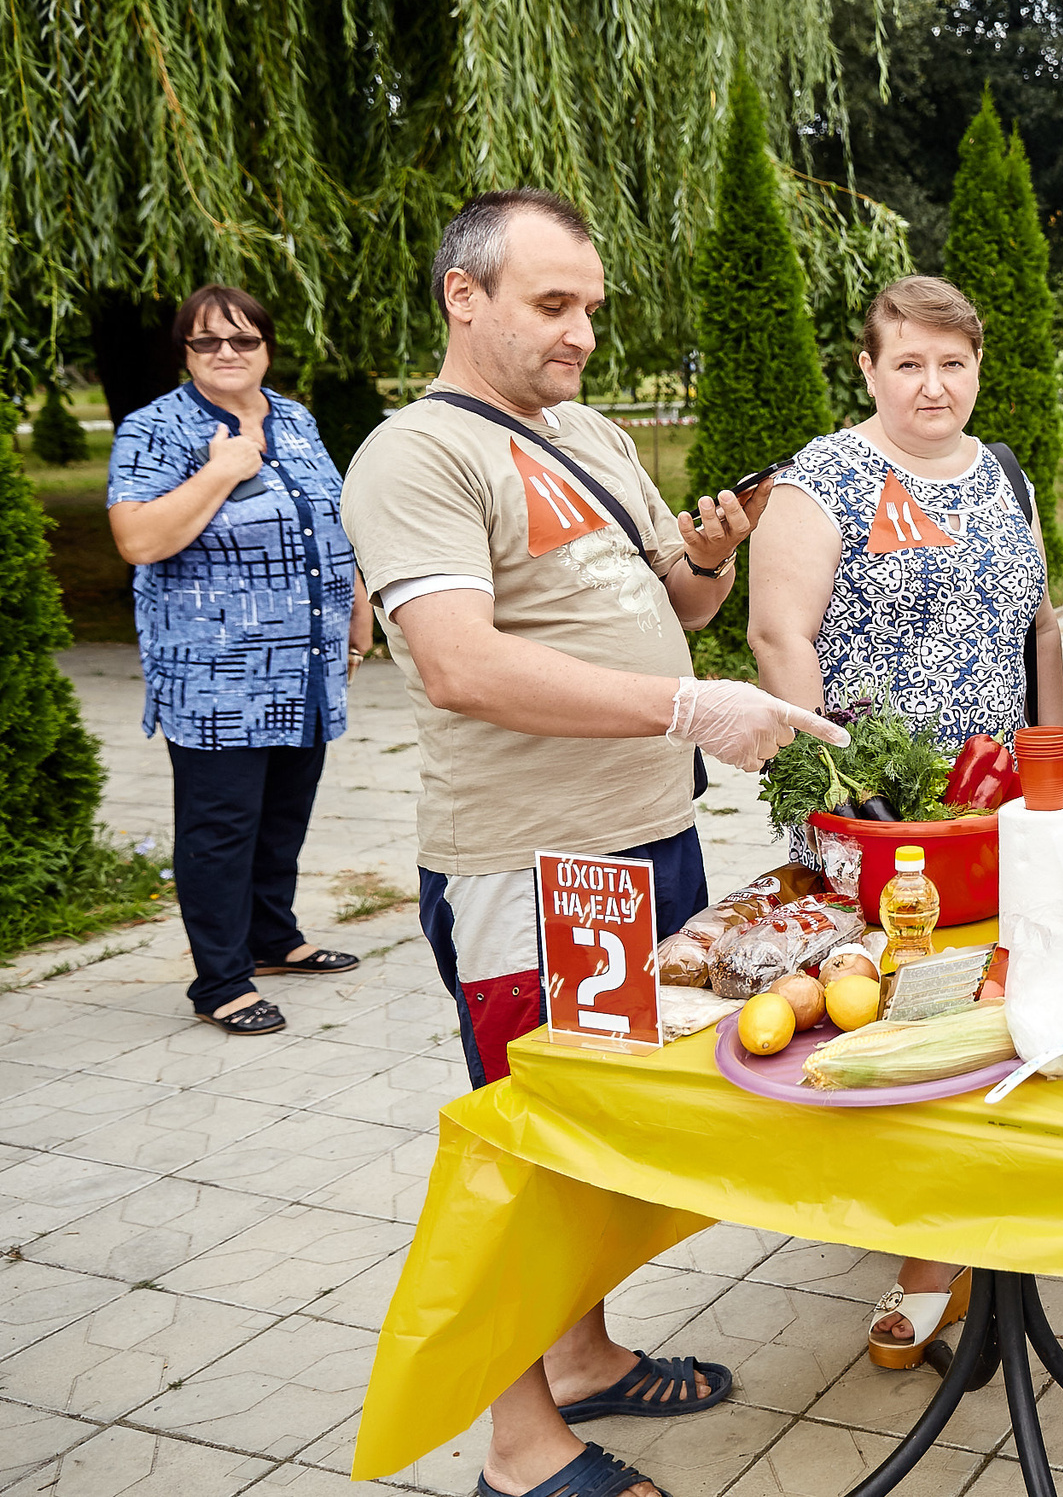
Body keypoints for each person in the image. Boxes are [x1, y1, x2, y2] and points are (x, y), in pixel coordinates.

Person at [344, 188, 843, 1497]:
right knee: (524, 1144)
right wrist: (691, 703)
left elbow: (663, 600)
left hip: (640, 842)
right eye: (551, 304)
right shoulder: (419, 457)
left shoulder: (592, 434)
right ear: (466, 295)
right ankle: (519, 1446)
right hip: (528, 861)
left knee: (600, 1129)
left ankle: (580, 1351)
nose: (580, 333)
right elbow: (455, 663)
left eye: (591, 309)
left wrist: (712, 561)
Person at [748, 272, 1063, 1367]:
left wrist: (1050, 772)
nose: (934, 385)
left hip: (990, 806)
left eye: (953, 362)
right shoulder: (822, 477)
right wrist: (839, 785)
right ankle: (920, 1250)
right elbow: (776, 638)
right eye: (910, 363)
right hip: (874, 814)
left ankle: (962, 1232)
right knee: (883, 1016)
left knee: (981, 1006)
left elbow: (1041, 634)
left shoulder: (1007, 473)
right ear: (870, 369)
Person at [106, 286, 369, 1036]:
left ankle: (274, 938)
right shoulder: (154, 428)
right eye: (206, 342)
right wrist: (222, 471)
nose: (227, 353)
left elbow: (332, 517)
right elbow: (139, 539)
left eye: (243, 339)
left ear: (266, 347)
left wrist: (356, 608)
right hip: (217, 676)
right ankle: (220, 979)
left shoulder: (296, 418)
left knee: (284, 811)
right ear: (184, 352)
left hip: (308, 664)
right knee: (220, 826)